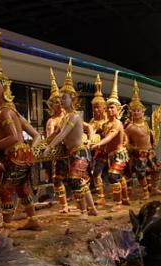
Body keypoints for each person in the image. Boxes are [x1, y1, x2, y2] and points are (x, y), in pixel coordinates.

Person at [0, 33, 41, 233]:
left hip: (16, 155)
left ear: (4, 87)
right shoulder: (4, 113)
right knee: (22, 188)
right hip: (22, 155)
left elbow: (13, 137)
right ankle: (32, 219)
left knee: (5, 189)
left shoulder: (5, 112)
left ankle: (7, 225)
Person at [47, 59, 98, 218]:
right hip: (72, 153)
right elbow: (57, 134)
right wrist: (46, 142)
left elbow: (63, 134)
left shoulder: (74, 116)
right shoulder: (64, 118)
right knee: (80, 181)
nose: (61, 101)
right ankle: (92, 209)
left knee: (75, 180)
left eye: (64, 98)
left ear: (73, 98)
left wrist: (49, 147)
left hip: (80, 152)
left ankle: (84, 211)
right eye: (60, 99)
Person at [93, 71, 130, 211]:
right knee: (118, 176)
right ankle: (125, 198)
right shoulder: (105, 124)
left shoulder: (117, 123)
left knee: (113, 176)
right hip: (110, 155)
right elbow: (97, 131)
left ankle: (118, 203)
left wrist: (98, 144)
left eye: (112, 107)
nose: (109, 109)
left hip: (119, 154)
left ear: (118, 109)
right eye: (108, 107)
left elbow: (110, 137)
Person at [124, 80, 161, 201]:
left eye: (138, 110)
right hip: (139, 153)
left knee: (157, 168)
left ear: (143, 111)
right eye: (134, 110)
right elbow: (125, 141)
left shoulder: (146, 123)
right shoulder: (129, 127)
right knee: (141, 173)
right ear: (131, 112)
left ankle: (154, 188)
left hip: (150, 152)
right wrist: (131, 148)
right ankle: (145, 191)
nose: (136, 112)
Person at [45, 67, 67, 210]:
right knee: (57, 180)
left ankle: (86, 207)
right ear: (51, 105)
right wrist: (57, 133)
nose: (58, 104)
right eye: (55, 102)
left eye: (60, 101)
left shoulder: (70, 116)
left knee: (79, 179)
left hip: (74, 151)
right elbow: (49, 139)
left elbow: (86, 128)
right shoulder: (51, 121)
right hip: (59, 154)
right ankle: (64, 205)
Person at [88, 74, 109, 207]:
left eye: (98, 107)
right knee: (96, 173)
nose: (96, 110)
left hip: (106, 151)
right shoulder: (92, 121)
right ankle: (101, 196)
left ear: (104, 108)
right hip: (96, 152)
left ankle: (122, 195)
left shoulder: (107, 121)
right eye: (94, 107)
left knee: (116, 175)